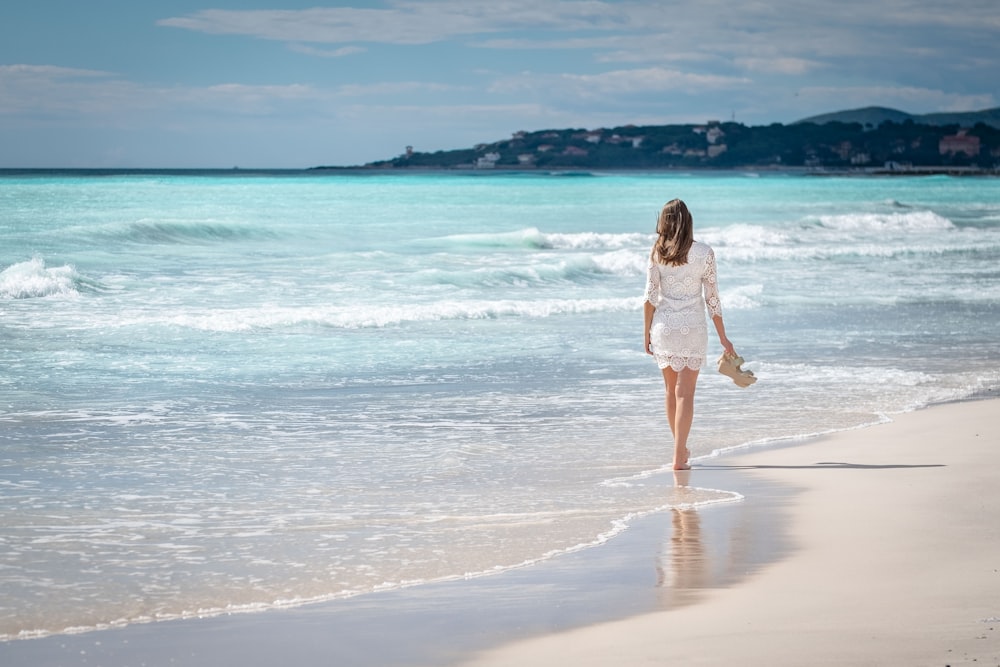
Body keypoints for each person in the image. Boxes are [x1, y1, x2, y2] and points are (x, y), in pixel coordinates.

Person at [643, 199, 735, 470]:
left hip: (663, 328)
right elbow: (713, 300)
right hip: (692, 328)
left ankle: (680, 451)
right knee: (686, 394)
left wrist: (645, 333)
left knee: (671, 392)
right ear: (689, 220)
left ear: (664, 222)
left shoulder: (657, 253)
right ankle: (678, 455)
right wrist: (723, 337)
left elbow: (649, 298)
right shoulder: (705, 252)